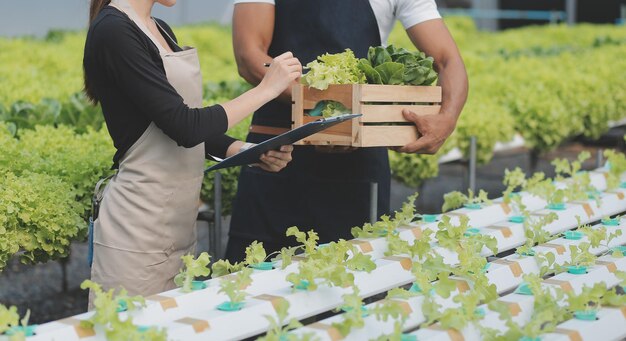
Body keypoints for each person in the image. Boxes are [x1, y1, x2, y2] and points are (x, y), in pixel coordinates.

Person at [83, 0, 301, 302]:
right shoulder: (113, 30)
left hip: (179, 227)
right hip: (135, 230)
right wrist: (267, 89)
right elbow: (185, 126)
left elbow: (179, 126)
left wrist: (249, 150)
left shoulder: (160, 29)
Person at [225, 0, 468, 261]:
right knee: (254, 285)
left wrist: (447, 118)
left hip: (356, 156)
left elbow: (446, 59)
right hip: (276, 152)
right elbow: (249, 56)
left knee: (355, 278)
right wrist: (321, 108)